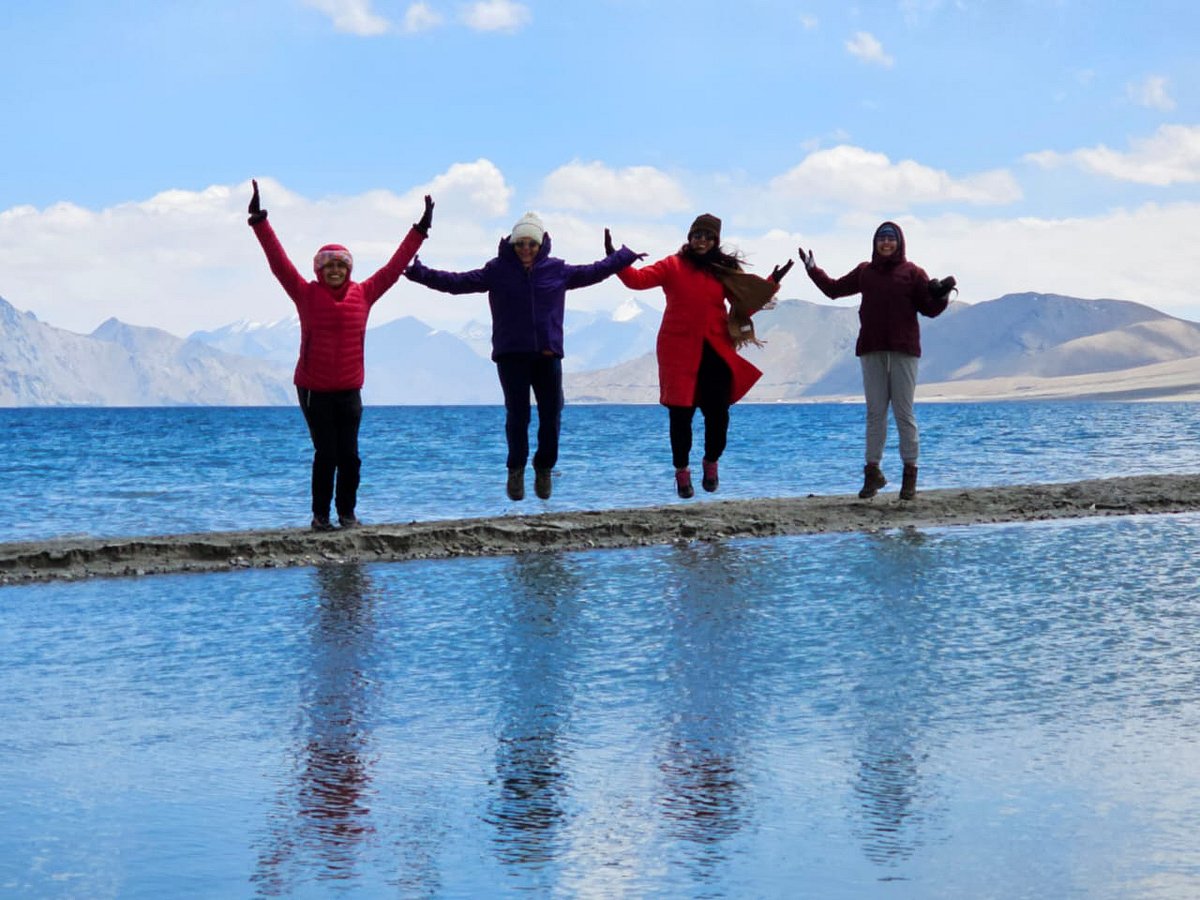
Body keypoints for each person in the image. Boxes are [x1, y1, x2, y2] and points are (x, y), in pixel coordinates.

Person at [404, 212, 641, 501]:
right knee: (518, 415)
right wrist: (419, 273)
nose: (526, 249)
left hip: (547, 354)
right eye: (520, 244)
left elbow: (594, 271)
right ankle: (515, 470)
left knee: (551, 414)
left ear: (541, 244)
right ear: (512, 244)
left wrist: (623, 256)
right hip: (511, 355)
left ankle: (543, 468)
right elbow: (456, 282)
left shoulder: (557, 270)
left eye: (531, 243)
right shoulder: (497, 270)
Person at [247, 179, 434, 530]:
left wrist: (420, 230)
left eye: (341, 265)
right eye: (328, 265)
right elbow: (278, 263)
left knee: (350, 458)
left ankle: (346, 515)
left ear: (349, 269)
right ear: (319, 270)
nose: (335, 270)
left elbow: (394, 268)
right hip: (313, 389)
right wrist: (259, 220)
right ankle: (320, 517)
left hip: (349, 390)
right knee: (327, 454)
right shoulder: (305, 294)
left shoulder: (364, 294)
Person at [608, 214, 792, 498]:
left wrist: (771, 283)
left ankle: (711, 462)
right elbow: (637, 280)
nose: (701, 241)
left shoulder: (722, 270)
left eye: (707, 236)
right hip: (677, 350)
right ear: (689, 237)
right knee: (680, 415)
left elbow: (743, 306)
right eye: (697, 235)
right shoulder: (672, 265)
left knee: (718, 414)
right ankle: (682, 473)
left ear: (715, 240)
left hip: (715, 349)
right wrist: (615, 259)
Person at [798, 221, 954, 500]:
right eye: (881, 238)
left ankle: (909, 476)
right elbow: (833, 289)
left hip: (904, 351)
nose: (886, 243)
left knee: (904, 413)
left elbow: (929, 309)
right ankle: (873, 473)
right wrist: (812, 270)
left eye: (890, 239)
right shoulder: (864, 272)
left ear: (899, 242)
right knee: (875, 413)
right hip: (871, 350)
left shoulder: (913, 273)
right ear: (874, 243)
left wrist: (941, 296)